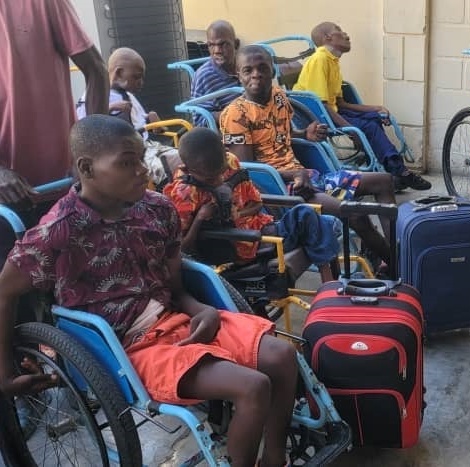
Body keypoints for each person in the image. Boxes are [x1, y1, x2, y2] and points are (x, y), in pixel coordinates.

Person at [0, 116, 298, 467]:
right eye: (128, 162)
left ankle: (275, 458)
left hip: (176, 319)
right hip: (125, 347)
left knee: (282, 356)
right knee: (252, 387)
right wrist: (5, 372)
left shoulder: (157, 209)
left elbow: (174, 286)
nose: (142, 170)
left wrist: (201, 309)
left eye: (142, 158)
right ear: (87, 168)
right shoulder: (57, 233)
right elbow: (4, 292)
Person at [220, 45, 397, 268]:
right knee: (356, 214)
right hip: (283, 189)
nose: (256, 74)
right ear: (239, 75)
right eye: (248, 70)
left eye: (262, 68)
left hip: (308, 177)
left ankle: (395, 252)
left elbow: (282, 133)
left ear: (272, 71)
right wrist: (294, 174)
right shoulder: (236, 114)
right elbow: (248, 169)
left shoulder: (279, 96)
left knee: (383, 181)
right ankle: (397, 267)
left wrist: (306, 133)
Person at [164, 127, 342, 282]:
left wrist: (239, 214)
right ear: (187, 170)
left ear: (225, 153)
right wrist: (200, 218)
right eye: (211, 178)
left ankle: (330, 282)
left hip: (263, 232)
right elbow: (183, 249)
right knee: (318, 222)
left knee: (311, 216)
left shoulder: (232, 162)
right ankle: (330, 284)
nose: (219, 180)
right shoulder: (184, 193)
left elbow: (257, 204)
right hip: (237, 249)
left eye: (222, 172)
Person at [0, 0, 108, 249]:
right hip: (4, 205)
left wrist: (89, 152)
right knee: (14, 286)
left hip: (61, 190)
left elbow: (96, 70)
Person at [294, 22, 432, 191]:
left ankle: (389, 166)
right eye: (339, 30)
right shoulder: (320, 59)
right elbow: (322, 105)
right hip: (317, 116)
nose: (346, 35)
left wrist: (375, 108)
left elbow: (341, 103)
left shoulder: (333, 61)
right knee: (368, 127)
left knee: (374, 118)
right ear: (327, 38)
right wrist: (351, 130)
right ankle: (399, 171)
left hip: (332, 110)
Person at [77, 47, 182, 189]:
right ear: (119, 73)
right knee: (171, 170)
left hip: (147, 145)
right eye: (136, 77)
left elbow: (141, 123)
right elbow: (84, 127)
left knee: (185, 157)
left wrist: (151, 120)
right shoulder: (96, 96)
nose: (141, 82)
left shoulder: (128, 95)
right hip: (128, 154)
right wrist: (110, 108)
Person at [190, 20, 304, 128]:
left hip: (266, 124)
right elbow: (200, 120)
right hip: (235, 132)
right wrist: (238, 112)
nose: (217, 50)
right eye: (211, 45)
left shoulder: (249, 63)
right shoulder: (203, 76)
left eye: (223, 44)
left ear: (236, 44)